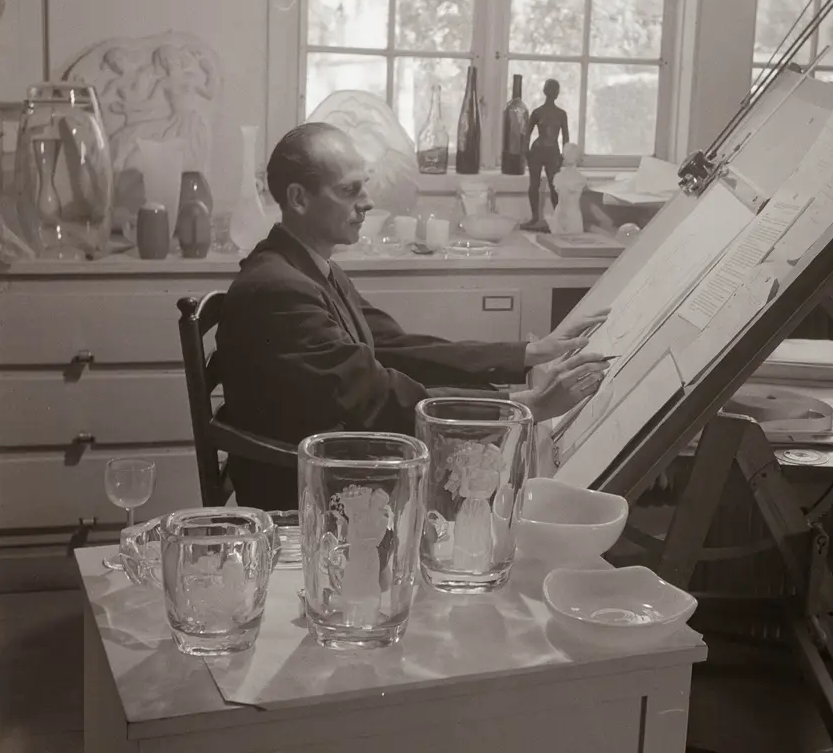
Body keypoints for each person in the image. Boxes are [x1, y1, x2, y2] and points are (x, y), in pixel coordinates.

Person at [216, 122, 610, 509]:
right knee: (489, 486)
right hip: (307, 487)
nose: (367, 201)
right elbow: (377, 396)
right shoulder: (281, 290)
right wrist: (524, 408)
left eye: (364, 185)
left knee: (487, 460)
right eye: (350, 190)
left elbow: (396, 347)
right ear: (299, 199)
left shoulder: (308, 267)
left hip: (336, 461)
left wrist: (528, 354)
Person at [522, 79, 570, 231]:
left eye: (555, 90)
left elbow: (566, 136)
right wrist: (526, 151)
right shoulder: (537, 112)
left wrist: (564, 155)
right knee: (534, 184)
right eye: (551, 90)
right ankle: (535, 217)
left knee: (554, 186)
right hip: (537, 151)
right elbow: (526, 133)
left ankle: (557, 218)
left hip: (553, 153)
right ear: (545, 92)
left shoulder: (561, 114)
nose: (553, 93)